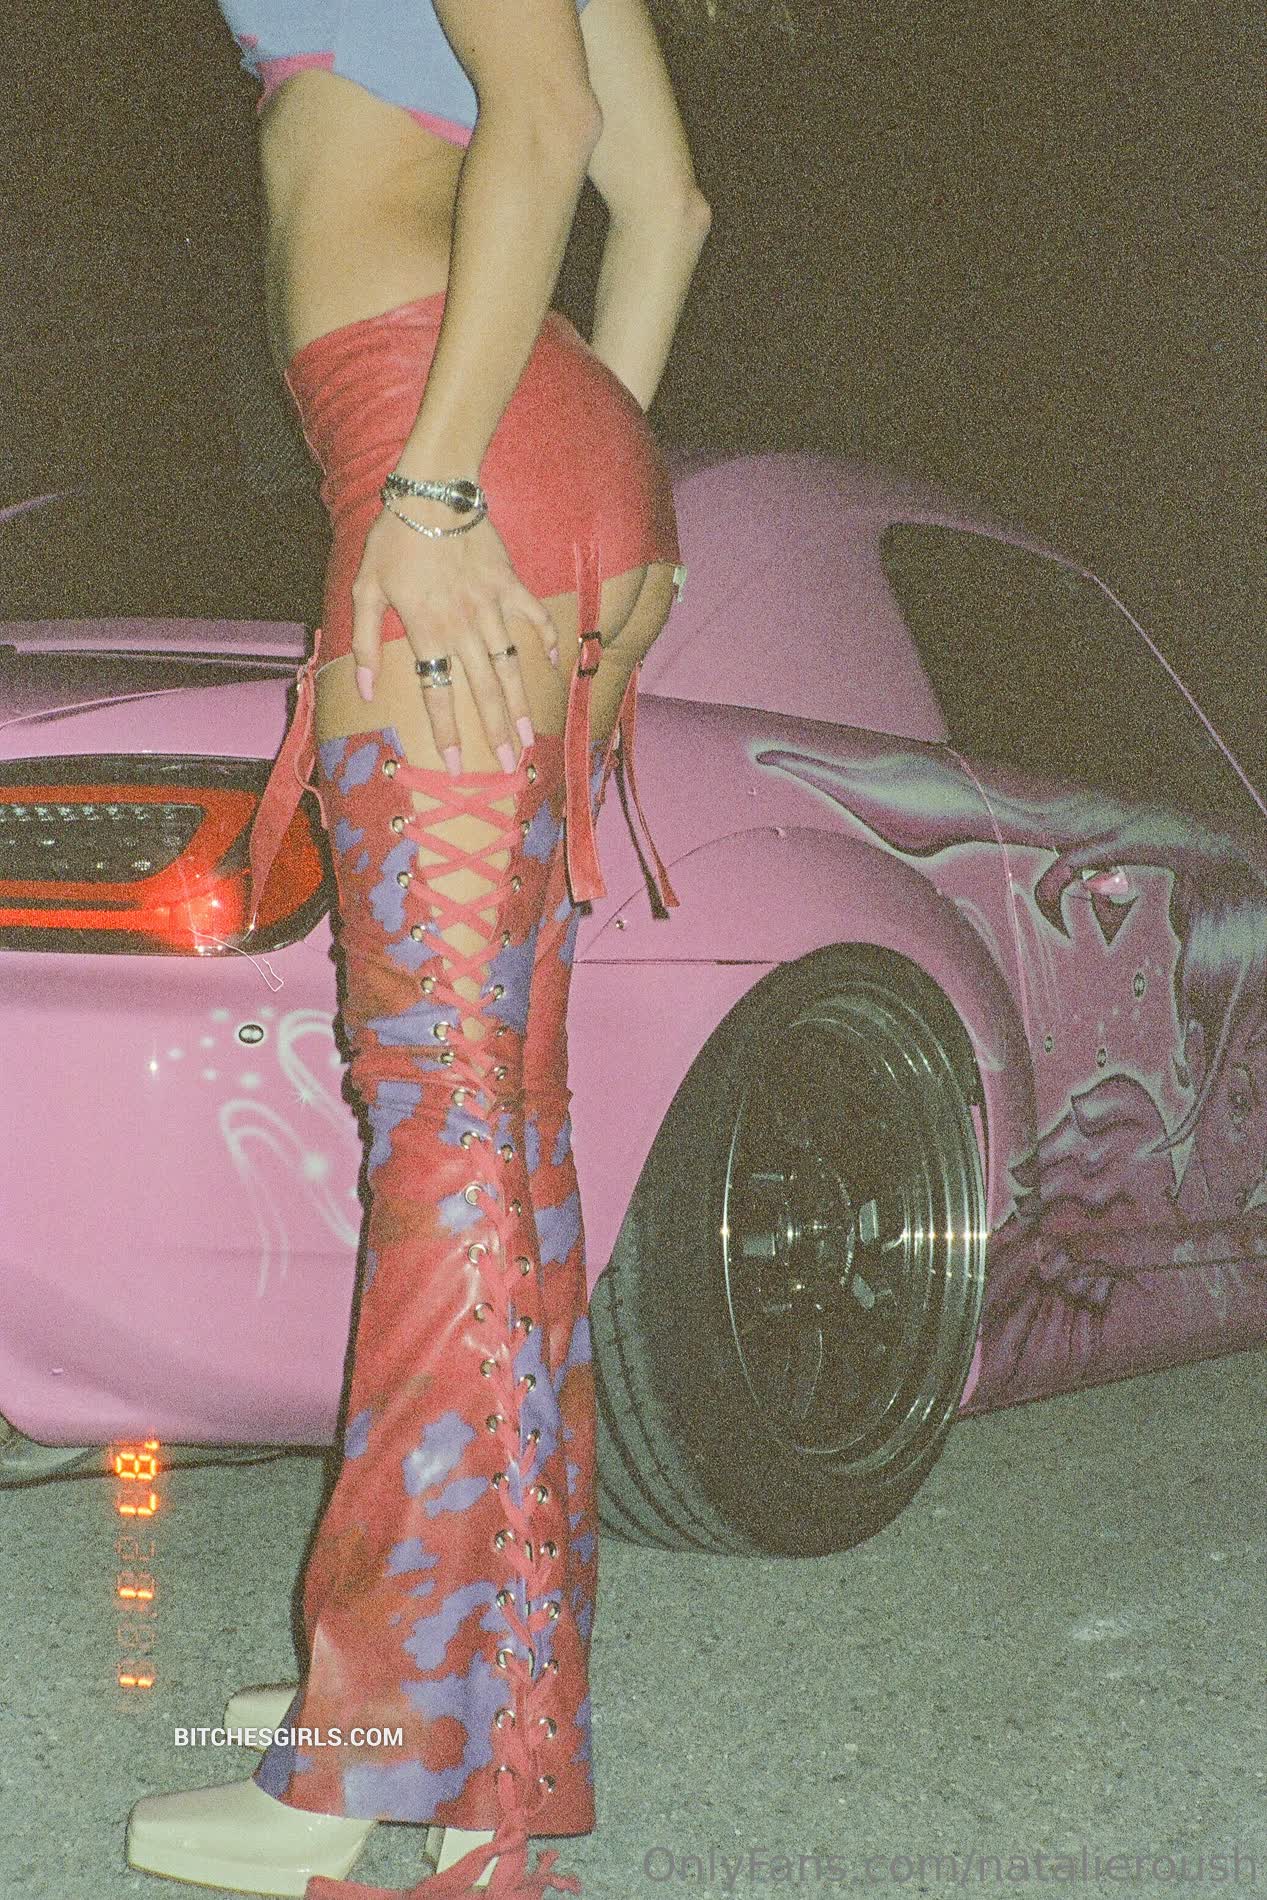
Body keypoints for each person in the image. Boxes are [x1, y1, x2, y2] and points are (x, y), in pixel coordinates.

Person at [126, 2, 709, 1895]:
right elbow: (671, 205)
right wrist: (578, 452)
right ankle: (486, 1759)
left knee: (447, 1139)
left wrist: (447, 483)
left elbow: (547, 123)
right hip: (522, 439)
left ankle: (359, 1760)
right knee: (492, 1142)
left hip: (439, 445)